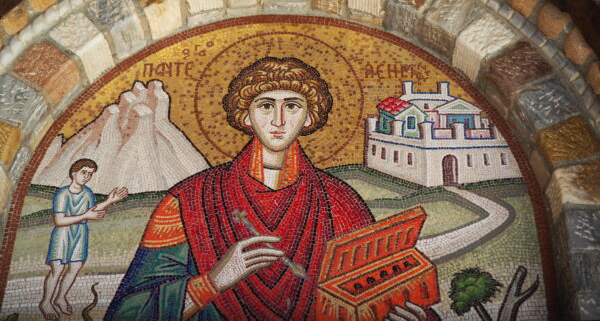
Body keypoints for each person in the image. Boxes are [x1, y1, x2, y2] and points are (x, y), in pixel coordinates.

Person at [105, 57, 437, 320]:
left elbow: (377, 288)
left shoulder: (340, 200)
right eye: (265, 105)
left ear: (309, 118)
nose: (278, 120)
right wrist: (214, 281)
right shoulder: (189, 200)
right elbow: (127, 313)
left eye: (292, 106)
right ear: (246, 117)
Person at [39, 158, 128, 320]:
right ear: (74, 173)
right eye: (84, 172)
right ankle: (46, 302)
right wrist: (85, 216)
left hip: (80, 234)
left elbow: (91, 210)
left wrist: (110, 201)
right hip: (63, 234)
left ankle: (60, 298)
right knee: (57, 269)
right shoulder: (63, 194)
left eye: (90, 174)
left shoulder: (87, 192)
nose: (86, 177)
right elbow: (59, 220)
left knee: (75, 268)